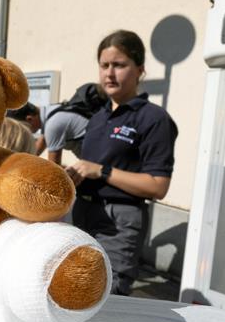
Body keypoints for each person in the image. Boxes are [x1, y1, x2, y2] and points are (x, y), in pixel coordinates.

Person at [66, 30, 177, 296]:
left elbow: (158, 186)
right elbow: (92, 167)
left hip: (119, 224)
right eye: (104, 65)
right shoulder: (98, 117)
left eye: (119, 65)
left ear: (140, 69)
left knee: (106, 295)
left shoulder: (153, 119)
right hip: (82, 213)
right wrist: (74, 173)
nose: (109, 73)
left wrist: (102, 171)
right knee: (74, 290)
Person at [40, 82, 106, 164]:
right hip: (99, 151)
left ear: (29, 118)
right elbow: (41, 141)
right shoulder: (52, 110)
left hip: (98, 160)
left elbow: (54, 166)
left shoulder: (53, 124)